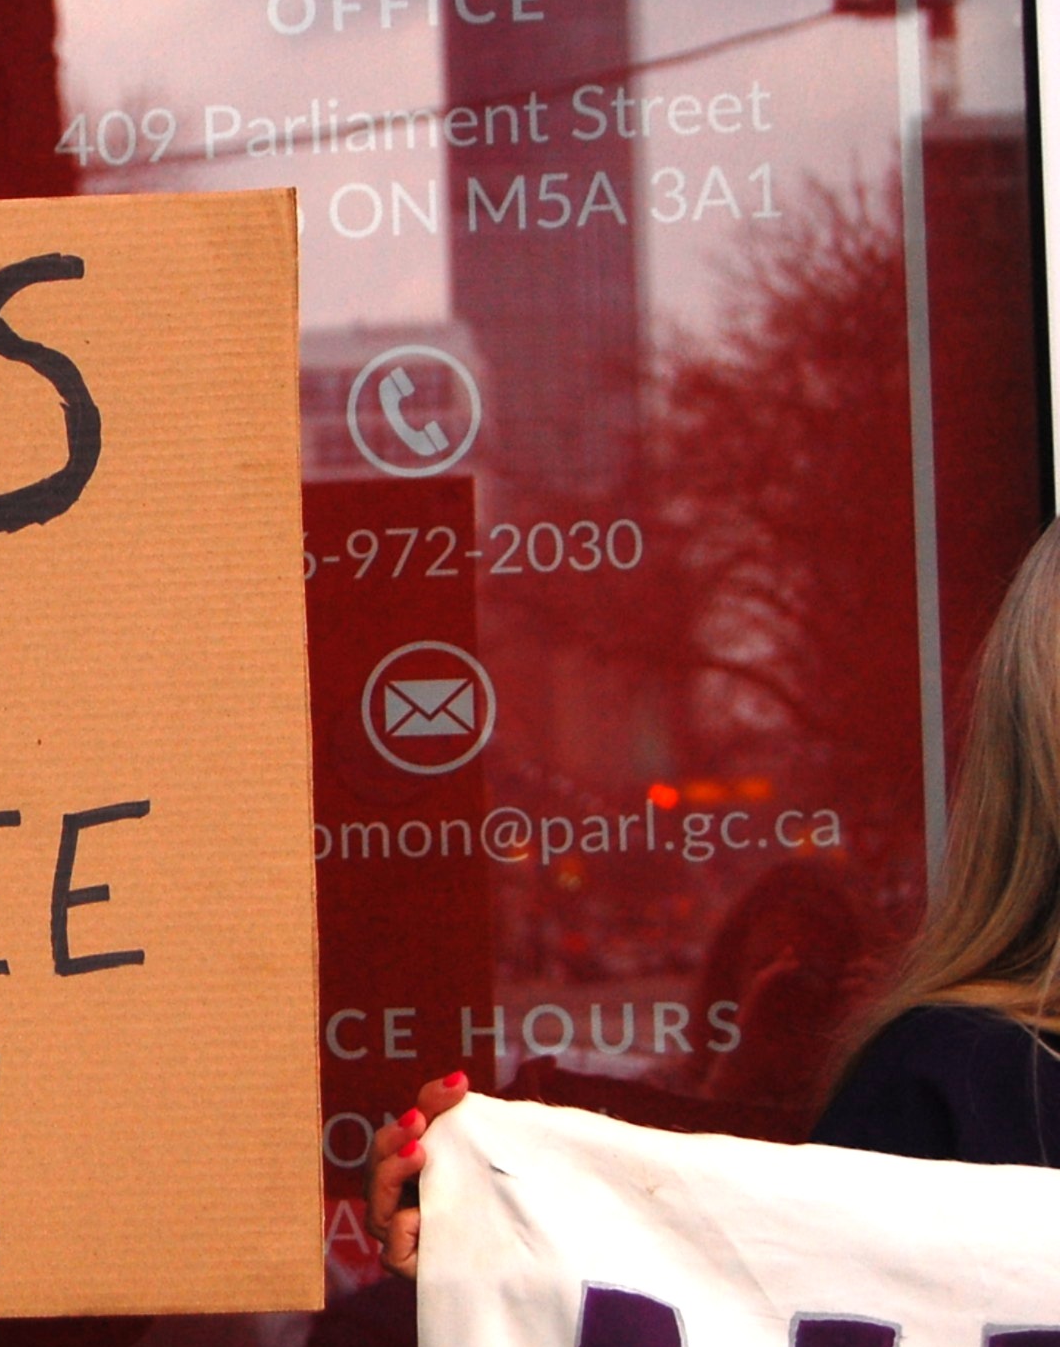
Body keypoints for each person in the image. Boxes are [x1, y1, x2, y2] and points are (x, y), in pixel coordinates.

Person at [369, 515, 1060, 1270]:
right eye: (784, 972)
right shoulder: (957, 1084)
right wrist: (497, 1235)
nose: (797, 989)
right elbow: (772, 1312)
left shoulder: (963, 1079)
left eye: (821, 973)